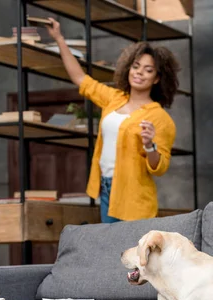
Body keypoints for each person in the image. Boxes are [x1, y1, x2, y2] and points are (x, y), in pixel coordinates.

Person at [46, 18, 179, 223]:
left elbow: (159, 168)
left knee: (130, 253)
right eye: (136, 66)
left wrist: (149, 145)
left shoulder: (160, 118)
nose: (139, 73)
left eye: (148, 70)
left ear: (157, 78)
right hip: (106, 188)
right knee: (111, 251)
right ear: (128, 69)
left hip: (134, 197)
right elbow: (81, 79)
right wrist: (59, 39)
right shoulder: (115, 98)